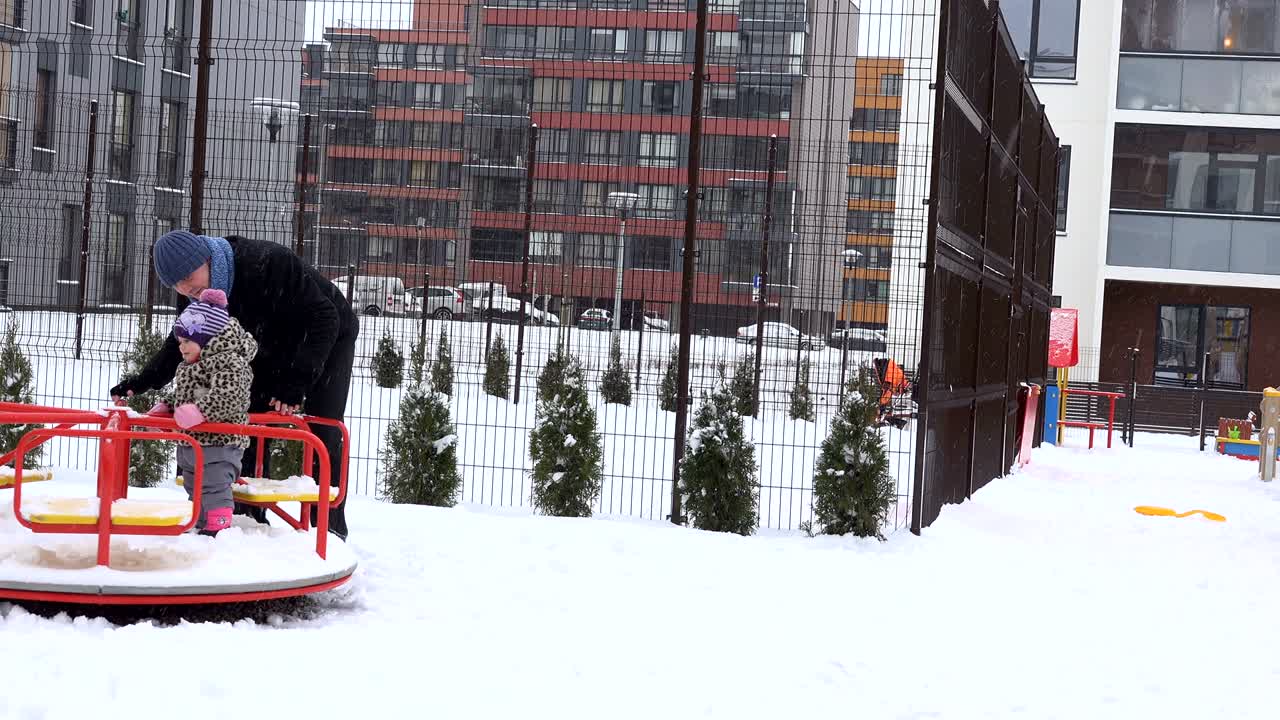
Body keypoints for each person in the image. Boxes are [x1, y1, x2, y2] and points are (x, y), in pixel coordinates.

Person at [111, 230, 358, 540]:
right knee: (243, 419)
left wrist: (295, 383)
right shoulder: (195, 291)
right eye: (177, 285)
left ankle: (330, 529)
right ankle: (247, 523)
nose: (187, 288)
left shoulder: (266, 264)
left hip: (325, 334)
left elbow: (325, 318)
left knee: (323, 427)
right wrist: (145, 380)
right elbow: (187, 339)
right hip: (262, 342)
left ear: (208, 259)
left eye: (189, 276)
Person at [148, 289, 256, 536]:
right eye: (180, 342)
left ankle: (219, 529)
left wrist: (200, 411)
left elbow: (230, 396)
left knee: (214, 486)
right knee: (194, 486)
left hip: (220, 442)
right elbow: (187, 395)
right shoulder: (190, 366)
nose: (181, 347)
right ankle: (200, 522)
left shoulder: (230, 362)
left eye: (187, 341)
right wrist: (169, 405)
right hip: (194, 443)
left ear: (207, 339)